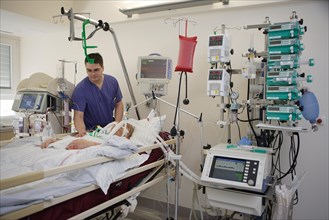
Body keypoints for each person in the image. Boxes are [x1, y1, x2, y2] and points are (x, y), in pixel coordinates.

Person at [71, 53, 124, 137]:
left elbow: (119, 104)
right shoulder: (80, 89)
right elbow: (78, 116)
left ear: (102, 68)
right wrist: (82, 132)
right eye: (89, 70)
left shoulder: (112, 82)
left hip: (109, 129)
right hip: (91, 131)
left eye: (96, 70)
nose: (92, 74)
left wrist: (116, 124)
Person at [41, 123, 134, 150]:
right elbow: (79, 138)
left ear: (126, 136)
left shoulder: (120, 141)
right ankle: (54, 142)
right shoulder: (100, 134)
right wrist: (56, 140)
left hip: (80, 147)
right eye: (118, 125)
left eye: (123, 128)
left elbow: (110, 147)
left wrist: (89, 144)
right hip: (72, 143)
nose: (118, 127)